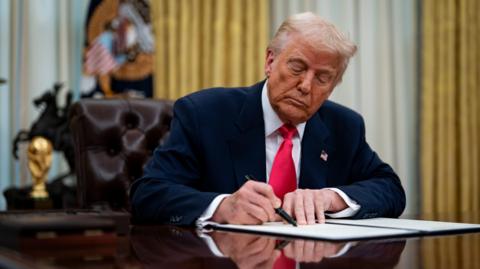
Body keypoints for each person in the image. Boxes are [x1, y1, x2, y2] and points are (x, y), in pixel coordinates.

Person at [130, 12, 405, 226]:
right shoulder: (204, 113)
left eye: (322, 78)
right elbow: (148, 195)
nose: (306, 86)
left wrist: (331, 198)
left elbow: (390, 189)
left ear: (332, 87)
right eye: (297, 67)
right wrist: (223, 207)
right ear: (270, 62)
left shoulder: (344, 126)